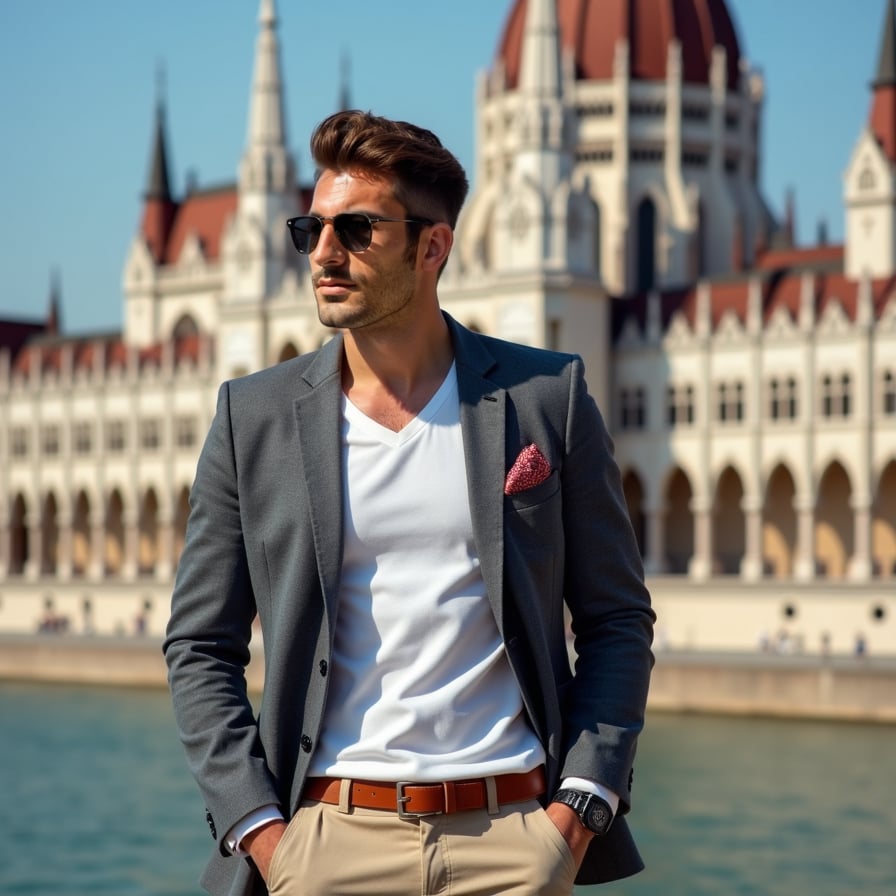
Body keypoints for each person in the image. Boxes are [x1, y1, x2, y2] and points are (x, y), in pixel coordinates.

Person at [164, 109, 655, 896]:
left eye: (356, 230)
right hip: (327, 844)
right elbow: (198, 644)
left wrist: (580, 809)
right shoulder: (250, 418)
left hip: (514, 841)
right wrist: (263, 833)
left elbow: (617, 618)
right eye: (310, 228)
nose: (323, 252)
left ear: (433, 247)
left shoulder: (544, 399)